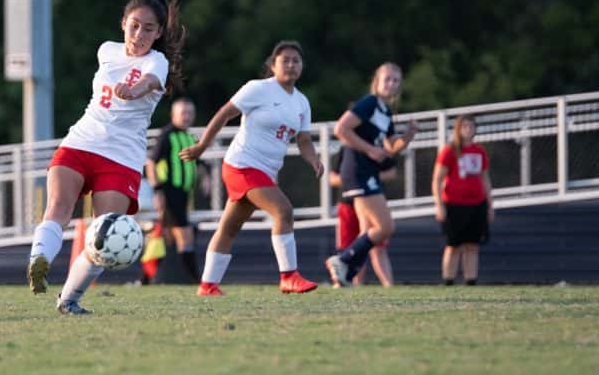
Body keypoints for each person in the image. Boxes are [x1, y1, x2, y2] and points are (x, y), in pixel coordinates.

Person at [26, 0, 185, 315]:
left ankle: (68, 299)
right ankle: (38, 261)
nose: (139, 35)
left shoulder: (157, 62)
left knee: (105, 232)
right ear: (123, 24)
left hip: (121, 156)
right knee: (58, 205)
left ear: (158, 34)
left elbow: (151, 81)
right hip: (81, 141)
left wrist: (135, 90)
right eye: (134, 26)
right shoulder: (106, 50)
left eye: (148, 29)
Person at [180, 40, 323, 296]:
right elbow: (225, 113)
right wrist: (202, 146)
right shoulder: (259, 89)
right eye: (285, 60)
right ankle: (289, 277)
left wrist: (313, 159)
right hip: (242, 165)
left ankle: (207, 285)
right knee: (284, 211)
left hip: (265, 172)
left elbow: (303, 140)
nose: (291, 65)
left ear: (302, 66)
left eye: (296, 61)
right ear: (273, 65)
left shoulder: (302, 103)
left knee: (229, 228)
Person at [325, 62, 418, 287]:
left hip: (367, 172)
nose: (391, 84)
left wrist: (406, 137)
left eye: (396, 80)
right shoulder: (369, 103)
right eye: (387, 79)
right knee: (385, 227)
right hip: (358, 171)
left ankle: (345, 275)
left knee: (368, 231)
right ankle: (342, 260)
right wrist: (369, 149)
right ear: (376, 82)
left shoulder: (385, 111)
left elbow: (390, 146)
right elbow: (341, 129)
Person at [431, 114, 493, 285]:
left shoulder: (479, 151)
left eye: (471, 126)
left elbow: (485, 179)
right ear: (458, 129)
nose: (468, 130)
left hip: (477, 204)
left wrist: (489, 205)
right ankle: (448, 280)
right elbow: (437, 179)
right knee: (453, 245)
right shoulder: (449, 150)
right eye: (464, 126)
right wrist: (439, 205)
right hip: (454, 204)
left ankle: (470, 280)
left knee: (472, 245)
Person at [145, 97, 201, 283]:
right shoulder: (167, 135)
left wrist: (206, 176)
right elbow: (151, 162)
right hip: (170, 193)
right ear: (173, 115)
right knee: (185, 236)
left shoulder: (190, 137)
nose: (187, 117)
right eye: (183, 113)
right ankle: (196, 279)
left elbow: (197, 163)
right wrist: (157, 190)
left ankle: (145, 278)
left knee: (166, 238)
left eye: (190, 113)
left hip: (184, 194)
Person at [329, 146, 396, 287]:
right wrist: (354, 177)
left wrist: (369, 176)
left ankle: (388, 284)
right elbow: (333, 178)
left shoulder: (375, 145)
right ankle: (349, 280)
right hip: (349, 202)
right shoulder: (346, 148)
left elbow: (391, 170)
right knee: (350, 245)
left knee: (376, 244)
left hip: (370, 199)